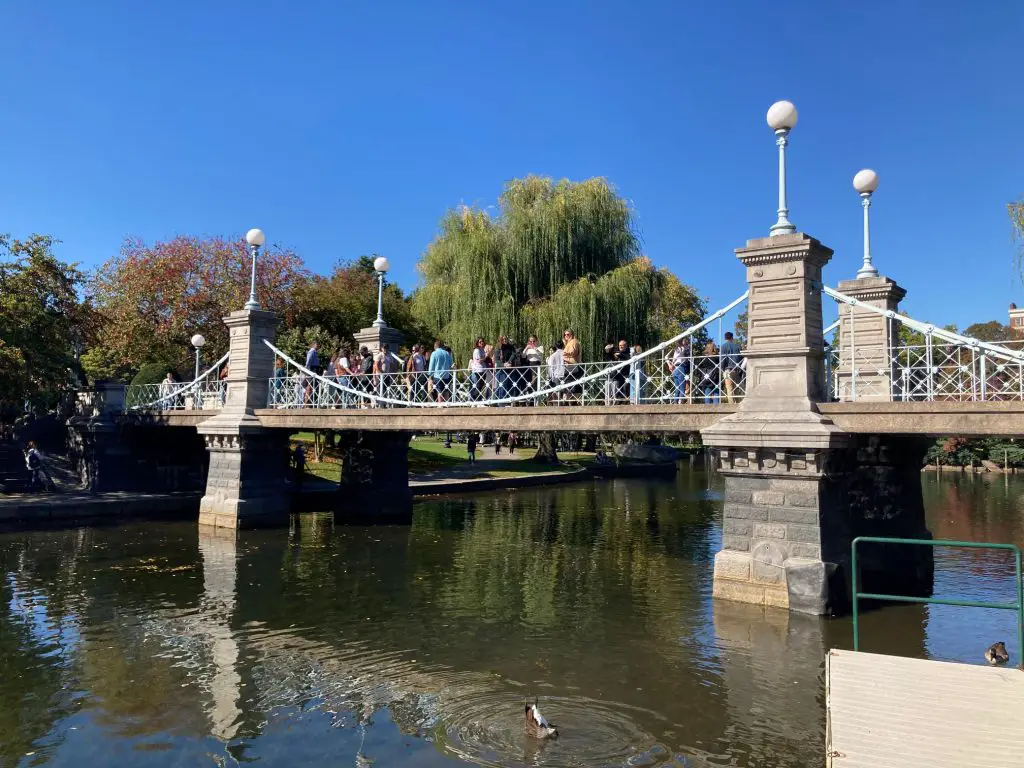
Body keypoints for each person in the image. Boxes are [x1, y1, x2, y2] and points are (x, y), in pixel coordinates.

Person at [720, 332, 742, 403]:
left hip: (727, 369)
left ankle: (731, 404)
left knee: (729, 388)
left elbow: (722, 359)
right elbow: (740, 357)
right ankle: (737, 403)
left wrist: (721, 369)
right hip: (736, 369)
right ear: (732, 337)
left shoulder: (723, 347)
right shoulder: (737, 346)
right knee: (736, 388)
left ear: (725, 338)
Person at [495, 335, 518, 402]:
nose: (505, 340)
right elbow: (497, 360)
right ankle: (501, 401)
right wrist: (503, 365)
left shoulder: (511, 347)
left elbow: (513, 354)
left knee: (511, 384)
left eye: (506, 339)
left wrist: (509, 362)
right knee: (502, 385)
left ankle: (509, 401)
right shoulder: (498, 348)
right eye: (503, 339)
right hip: (501, 370)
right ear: (501, 340)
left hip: (510, 368)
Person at [521, 336, 543, 400]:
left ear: (536, 341)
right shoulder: (528, 349)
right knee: (530, 378)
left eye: (534, 341)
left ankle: (528, 388)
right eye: (531, 341)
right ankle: (529, 394)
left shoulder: (540, 347)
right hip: (529, 364)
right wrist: (526, 348)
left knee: (535, 378)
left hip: (536, 363)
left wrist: (533, 348)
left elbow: (541, 353)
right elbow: (523, 355)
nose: (532, 342)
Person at [669, 339, 691, 403]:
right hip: (680, 368)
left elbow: (674, 359)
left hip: (675, 369)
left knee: (677, 388)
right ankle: (681, 403)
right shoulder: (682, 348)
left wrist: (671, 365)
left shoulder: (676, 349)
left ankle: (675, 402)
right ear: (681, 342)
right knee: (682, 387)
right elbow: (687, 351)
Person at [562, 329, 581, 401]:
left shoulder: (573, 341)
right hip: (569, 366)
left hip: (572, 365)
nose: (566, 336)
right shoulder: (568, 343)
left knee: (571, 384)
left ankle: (569, 401)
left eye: (568, 334)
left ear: (572, 335)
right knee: (568, 384)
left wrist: (563, 353)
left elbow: (572, 352)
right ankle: (568, 401)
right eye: (565, 334)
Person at [612, 339, 630, 403]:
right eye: (620, 345)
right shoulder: (617, 352)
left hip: (626, 374)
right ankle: (617, 402)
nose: (621, 347)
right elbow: (611, 359)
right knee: (617, 388)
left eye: (623, 345)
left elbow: (628, 358)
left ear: (626, 346)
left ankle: (627, 402)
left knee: (625, 387)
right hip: (618, 375)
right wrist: (607, 352)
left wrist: (620, 355)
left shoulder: (629, 352)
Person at [469, 337, 488, 401]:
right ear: (477, 343)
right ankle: (474, 400)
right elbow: (479, 360)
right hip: (478, 370)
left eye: (482, 341)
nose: (481, 343)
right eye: (480, 342)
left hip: (483, 369)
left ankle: (478, 399)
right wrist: (485, 357)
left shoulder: (482, 350)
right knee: (477, 385)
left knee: (480, 386)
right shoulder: (477, 350)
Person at [304, 341, 320, 406]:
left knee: (313, 386)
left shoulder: (315, 352)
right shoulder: (312, 351)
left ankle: (311, 402)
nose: (318, 346)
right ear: (313, 345)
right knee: (310, 386)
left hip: (314, 369)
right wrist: (307, 371)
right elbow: (308, 361)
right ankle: (307, 403)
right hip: (311, 370)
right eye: (317, 344)